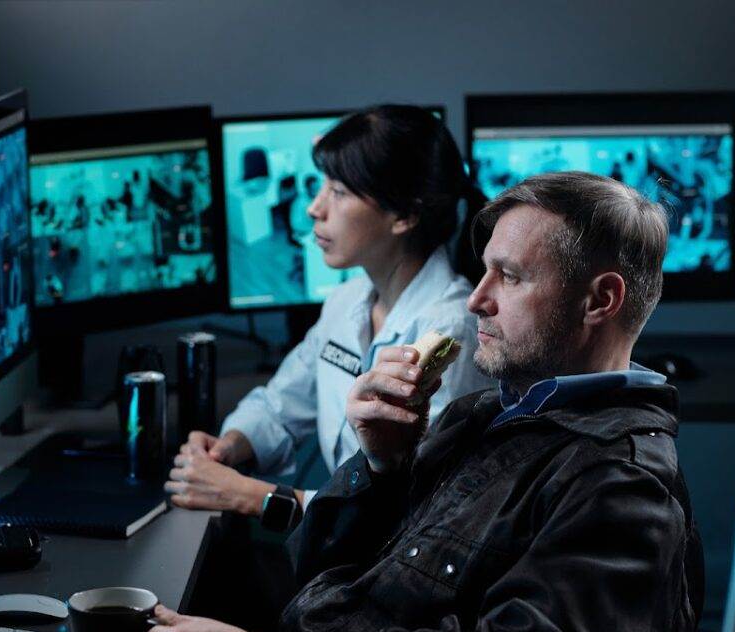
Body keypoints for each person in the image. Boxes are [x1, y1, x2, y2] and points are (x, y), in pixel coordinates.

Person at [140, 171, 704, 632]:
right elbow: (311, 567)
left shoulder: (623, 487)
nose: (478, 299)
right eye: (484, 270)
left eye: (507, 276)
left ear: (599, 300)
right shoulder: (480, 415)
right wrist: (382, 466)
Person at [166, 105, 492, 520]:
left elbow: (417, 510)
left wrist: (254, 496)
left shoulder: (449, 331)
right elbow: (280, 405)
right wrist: (229, 444)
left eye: (338, 192)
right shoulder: (348, 300)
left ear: (405, 214)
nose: (314, 208)